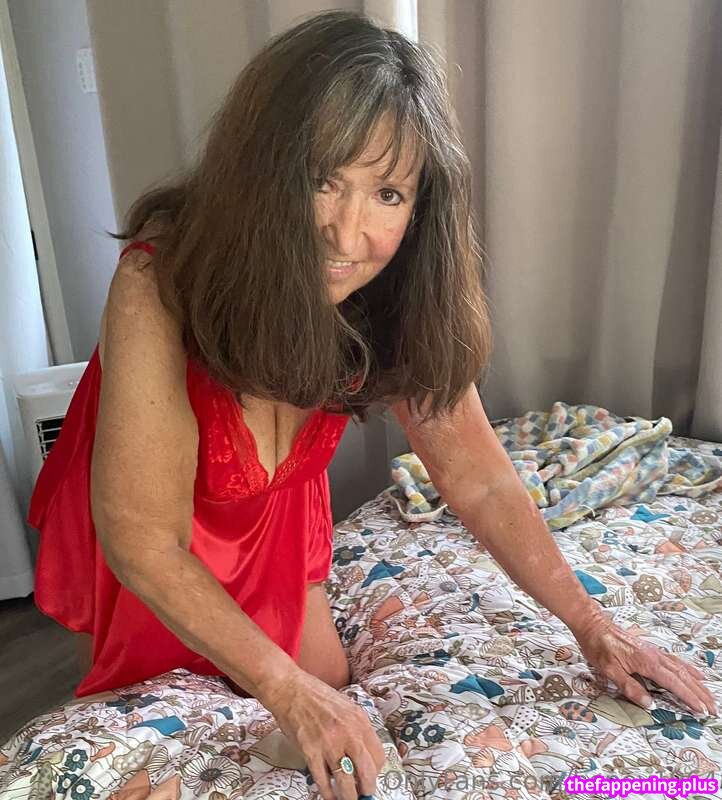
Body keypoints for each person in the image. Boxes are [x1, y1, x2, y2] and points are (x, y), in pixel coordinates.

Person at [27, 9, 717, 800]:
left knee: (329, 696)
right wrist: (284, 690)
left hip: (280, 517)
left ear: (419, 207)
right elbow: (144, 538)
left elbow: (480, 479)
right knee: (164, 719)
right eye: (322, 179)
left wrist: (593, 625)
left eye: (387, 193)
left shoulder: (399, 289)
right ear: (261, 169)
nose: (347, 234)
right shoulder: (159, 282)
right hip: (160, 522)